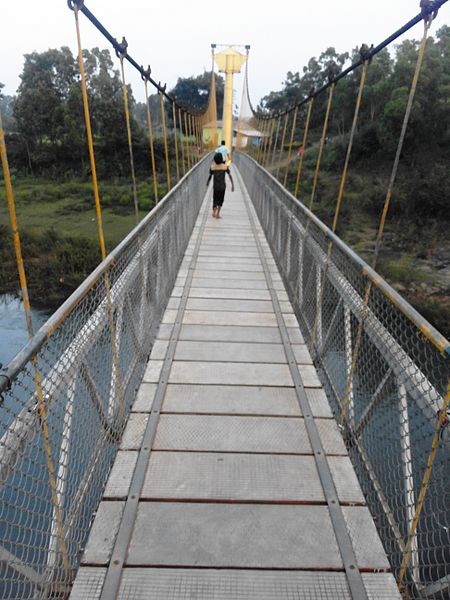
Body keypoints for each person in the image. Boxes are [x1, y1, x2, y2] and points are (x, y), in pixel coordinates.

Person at [206, 153, 234, 219]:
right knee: (221, 200)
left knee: (215, 199)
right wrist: (232, 185)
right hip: (222, 187)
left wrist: (208, 182)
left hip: (216, 187)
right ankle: (217, 214)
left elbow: (210, 175)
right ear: (221, 159)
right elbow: (230, 175)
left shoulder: (213, 167)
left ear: (215, 159)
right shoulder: (224, 167)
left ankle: (214, 210)